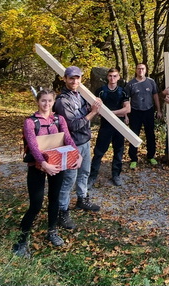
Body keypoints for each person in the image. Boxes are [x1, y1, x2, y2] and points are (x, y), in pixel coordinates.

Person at [13, 89, 82, 258]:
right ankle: (21, 241)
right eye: (43, 100)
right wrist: (44, 164)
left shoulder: (59, 119)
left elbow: (67, 138)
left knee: (54, 199)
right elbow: (33, 145)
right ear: (38, 101)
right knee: (36, 204)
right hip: (38, 166)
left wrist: (77, 154)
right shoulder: (30, 122)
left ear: (53, 102)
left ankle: (52, 231)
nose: (46, 104)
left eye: (50, 100)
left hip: (57, 163)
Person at [53, 66, 102, 230]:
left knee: (84, 173)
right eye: (71, 78)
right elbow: (72, 126)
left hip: (84, 142)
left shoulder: (80, 95)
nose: (74, 81)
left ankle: (82, 199)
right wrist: (92, 113)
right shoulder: (62, 101)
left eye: (77, 78)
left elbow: (86, 112)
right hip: (71, 145)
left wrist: (94, 106)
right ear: (65, 79)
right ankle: (62, 212)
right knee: (69, 179)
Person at [88, 68, 130, 187]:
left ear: (118, 77)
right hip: (105, 125)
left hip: (119, 125)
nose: (112, 78)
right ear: (107, 77)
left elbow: (127, 109)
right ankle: (92, 176)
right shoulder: (100, 91)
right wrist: (119, 112)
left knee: (119, 150)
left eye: (115, 76)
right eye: (110, 76)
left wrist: (110, 113)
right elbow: (96, 109)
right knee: (99, 151)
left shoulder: (123, 91)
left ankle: (116, 175)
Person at [125, 63, 162, 168]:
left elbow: (155, 96)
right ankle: (133, 158)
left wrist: (159, 110)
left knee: (150, 134)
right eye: (139, 69)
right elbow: (126, 100)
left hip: (148, 111)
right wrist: (126, 115)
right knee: (134, 135)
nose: (140, 70)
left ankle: (151, 156)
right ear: (136, 70)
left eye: (142, 69)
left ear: (145, 70)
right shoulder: (131, 84)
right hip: (135, 112)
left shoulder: (151, 82)